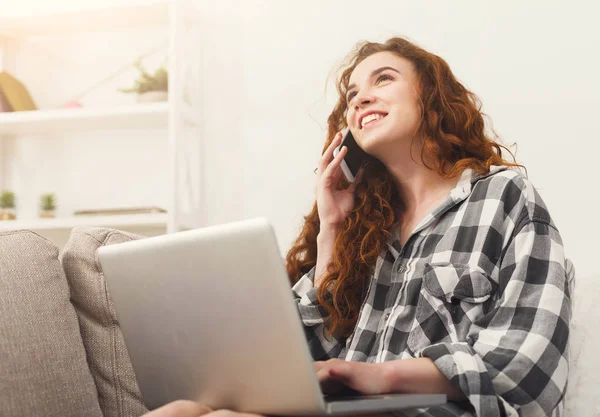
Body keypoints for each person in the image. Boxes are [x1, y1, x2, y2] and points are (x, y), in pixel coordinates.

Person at [144, 36, 572, 417]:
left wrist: (379, 376)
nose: (360, 99)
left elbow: (527, 369)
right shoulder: (368, 230)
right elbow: (300, 365)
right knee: (182, 409)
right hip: (341, 410)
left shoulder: (504, 197)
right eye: (352, 94)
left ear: (432, 97)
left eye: (383, 80)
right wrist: (330, 226)